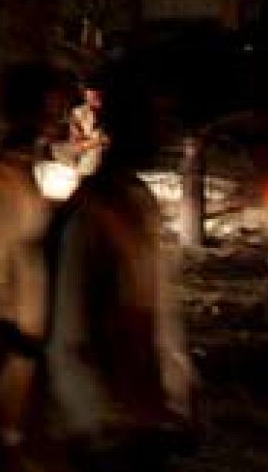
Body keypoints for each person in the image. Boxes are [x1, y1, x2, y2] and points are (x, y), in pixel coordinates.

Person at [43, 65, 194, 470]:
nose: (165, 133)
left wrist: (176, 394)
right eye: (154, 121)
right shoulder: (92, 214)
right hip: (108, 429)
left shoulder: (137, 203)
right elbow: (67, 331)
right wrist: (89, 422)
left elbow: (158, 316)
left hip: (139, 419)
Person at [0, 60, 77, 469]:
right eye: (48, 112)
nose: (54, 122)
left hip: (25, 346)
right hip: (4, 346)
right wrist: (19, 339)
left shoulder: (28, 179)